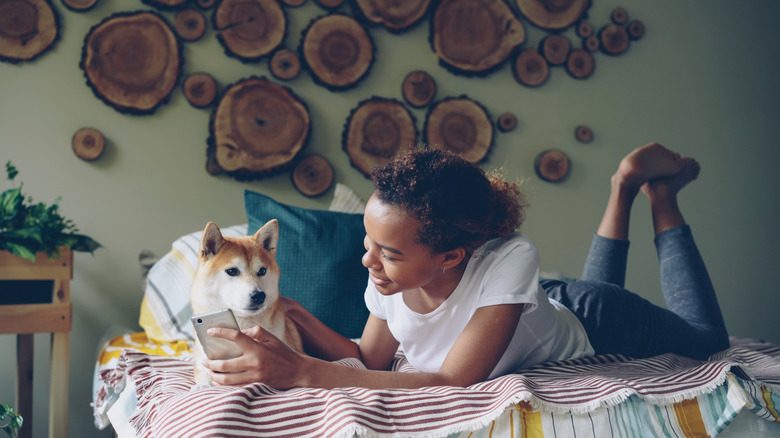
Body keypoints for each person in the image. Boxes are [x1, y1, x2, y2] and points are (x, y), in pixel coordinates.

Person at [203, 143, 729, 390]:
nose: (368, 261)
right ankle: (622, 190)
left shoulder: (512, 255)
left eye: (388, 252)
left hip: (596, 317)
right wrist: (294, 315)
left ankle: (659, 195)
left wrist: (303, 372)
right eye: (369, 241)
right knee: (583, 287)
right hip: (538, 304)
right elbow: (369, 359)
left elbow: (454, 379)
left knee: (710, 341)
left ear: (450, 257)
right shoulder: (387, 275)